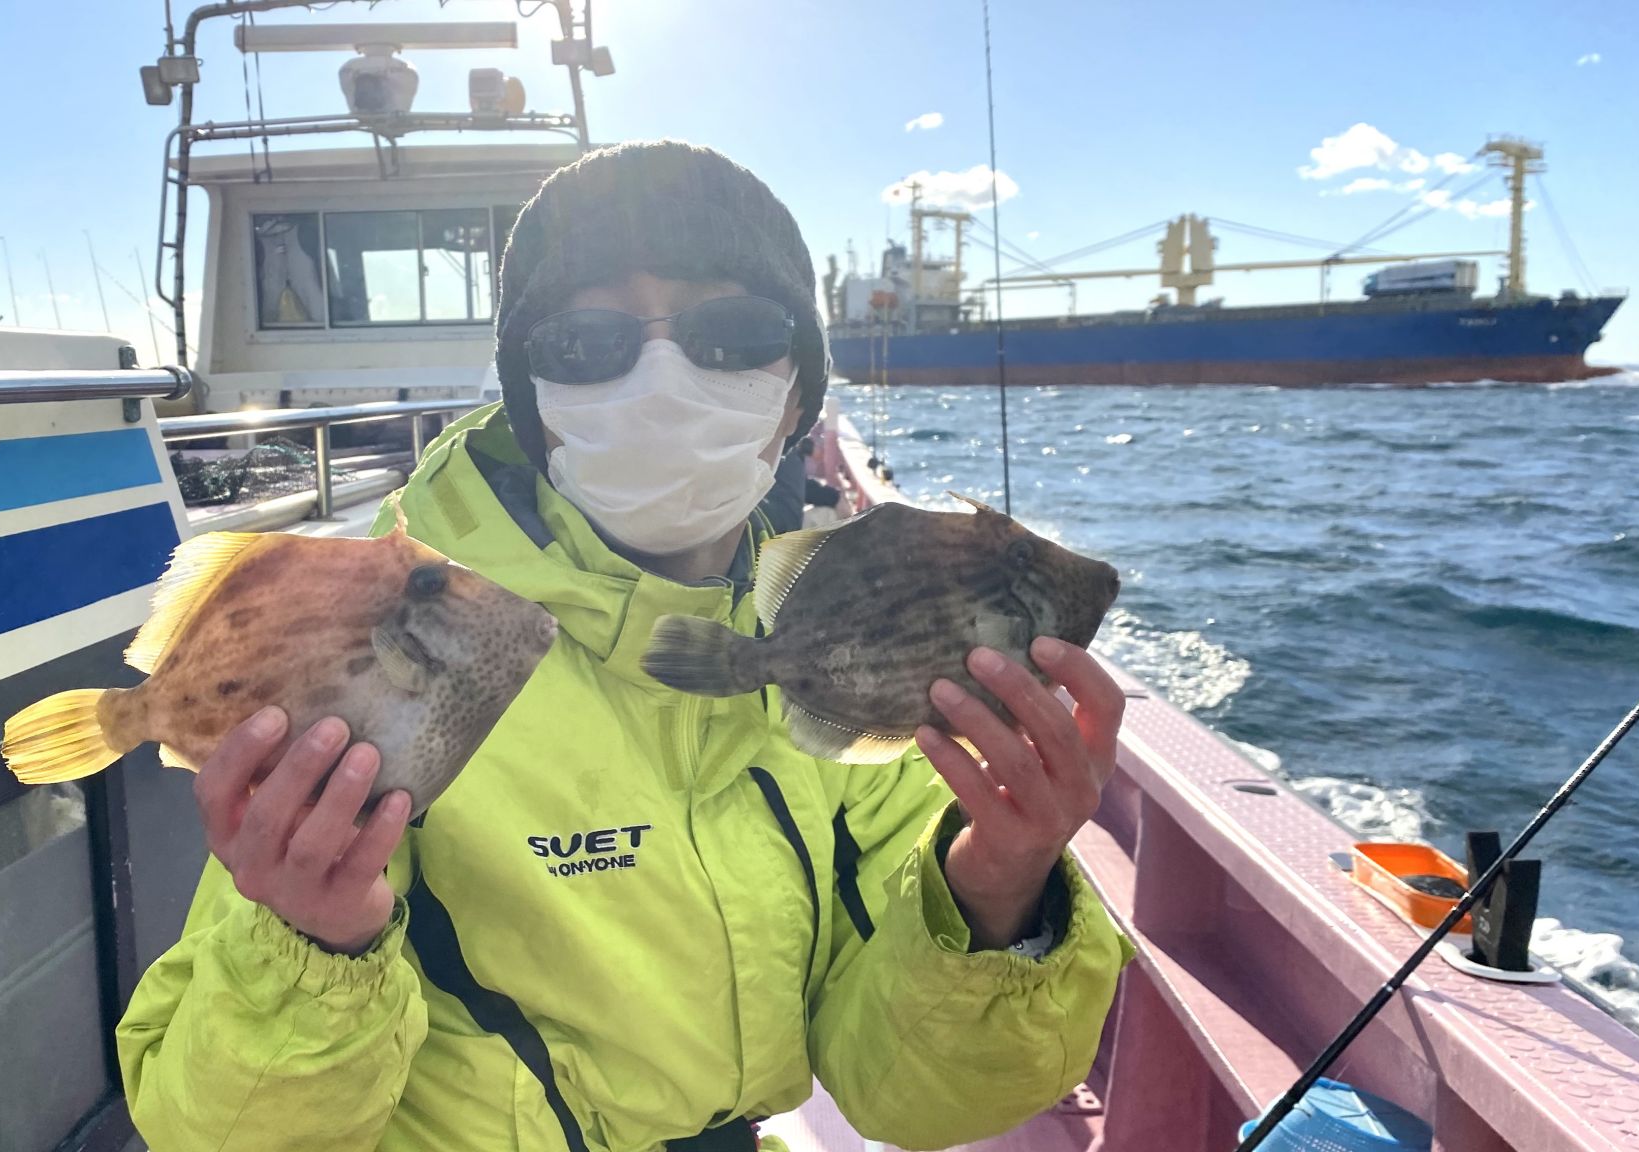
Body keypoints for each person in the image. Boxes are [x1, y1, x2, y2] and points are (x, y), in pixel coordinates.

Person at [117, 141, 1132, 1152]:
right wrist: (310, 940)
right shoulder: (411, 638)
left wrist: (998, 887)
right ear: (534, 401)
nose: (663, 378)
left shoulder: (863, 653)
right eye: (582, 344)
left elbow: (909, 1101)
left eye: (732, 333)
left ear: (793, 398)